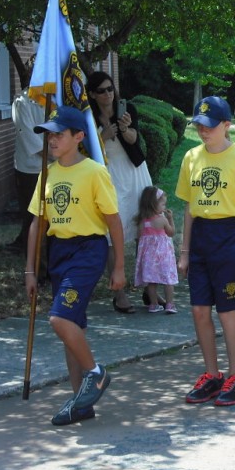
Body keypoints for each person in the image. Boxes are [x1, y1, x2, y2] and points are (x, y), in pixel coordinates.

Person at [24, 106, 125, 426]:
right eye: (49, 134)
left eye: (59, 134)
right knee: (72, 328)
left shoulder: (94, 171)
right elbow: (37, 224)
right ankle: (80, 402)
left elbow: (114, 222)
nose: (52, 140)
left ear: (79, 137)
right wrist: (30, 269)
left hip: (88, 249)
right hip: (59, 251)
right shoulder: (48, 172)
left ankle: (96, 374)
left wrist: (119, 266)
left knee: (60, 317)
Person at [176, 96, 235, 406]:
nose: (204, 132)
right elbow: (189, 207)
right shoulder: (191, 157)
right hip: (201, 237)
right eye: (199, 126)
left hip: (229, 237)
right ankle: (211, 374)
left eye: (210, 127)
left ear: (226, 126)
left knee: (227, 309)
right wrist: (185, 250)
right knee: (199, 310)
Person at [87, 71, 152, 314]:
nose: (108, 94)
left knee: (144, 230)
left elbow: (134, 139)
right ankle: (119, 291)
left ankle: (149, 286)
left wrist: (125, 130)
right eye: (102, 90)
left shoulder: (127, 109)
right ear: (93, 94)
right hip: (109, 176)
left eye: (111, 88)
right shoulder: (89, 117)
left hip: (134, 172)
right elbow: (87, 150)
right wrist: (103, 137)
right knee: (113, 234)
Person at [10, 88, 46, 255]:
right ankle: (36, 268)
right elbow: (31, 140)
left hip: (57, 166)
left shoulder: (58, 99)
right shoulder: (22, 102)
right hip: (31, 171)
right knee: (34, 219)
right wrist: (61, 155)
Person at [134, 186, 178, 314]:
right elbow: (171, 233)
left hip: (149, 258)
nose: (165, 207)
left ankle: (153, 304)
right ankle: (169, 304)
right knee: (168, 280)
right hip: (163, 256)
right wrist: (170, 219)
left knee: (151, 281)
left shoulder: (142, 222)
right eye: (163, 204)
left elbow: (140, 238)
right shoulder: (162, 220)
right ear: (154, 204)